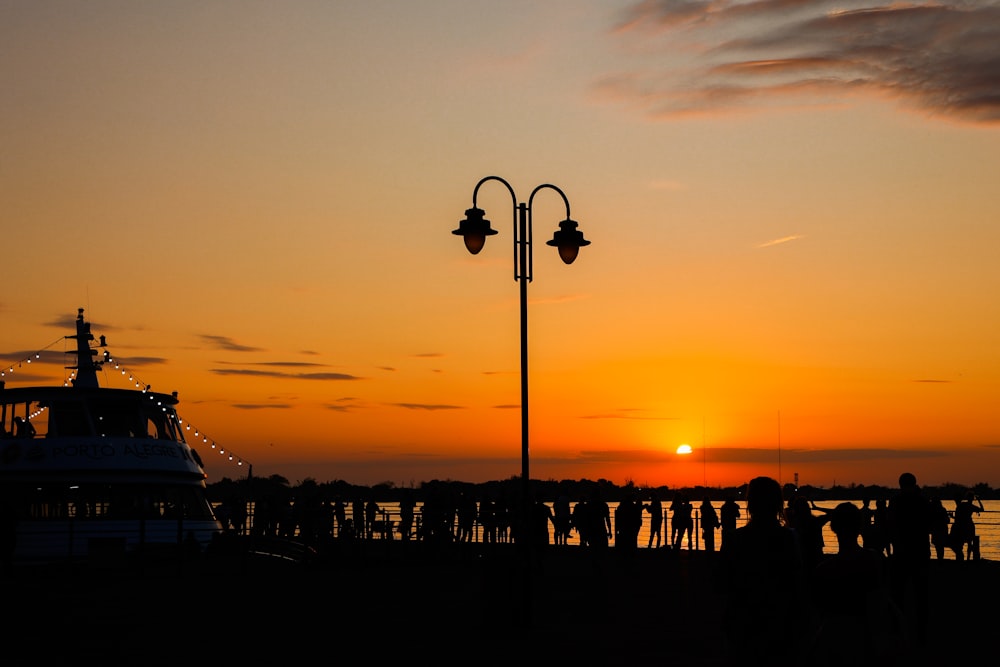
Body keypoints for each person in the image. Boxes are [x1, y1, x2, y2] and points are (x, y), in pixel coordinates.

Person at [722, 476, 806, 665]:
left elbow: (722, 582)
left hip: (743, 622)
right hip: (781, 622)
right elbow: (796, 582)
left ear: (750, 504)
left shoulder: (734, 539)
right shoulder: (789, 538)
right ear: (777, 504)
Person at [807, 502, 902, 664]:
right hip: (870, 636)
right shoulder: (876, 559)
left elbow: (820, 610)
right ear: (859, 527)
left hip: (836, 637)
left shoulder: (823, 570)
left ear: (833, 528)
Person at [886, 471, 931, 646]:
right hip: (919, 551)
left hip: (902, 553)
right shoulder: (922, 501)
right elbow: (928, 524)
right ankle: (921, 632)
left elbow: (891, 525)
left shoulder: (896, 501)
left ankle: (898, 628)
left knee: (898, 593)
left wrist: (895, 545)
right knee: (921, 594)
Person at [949, 492, 984, 561]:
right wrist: (979, 500)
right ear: (973, 499)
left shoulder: (963, 505)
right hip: (969, 525)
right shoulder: (972, 506)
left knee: (961, 542)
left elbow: (959, 517)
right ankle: (968, 558)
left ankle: (961, 557)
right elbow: (982, 509)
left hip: (962, 526)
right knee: (969, 542)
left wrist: (952, 516)